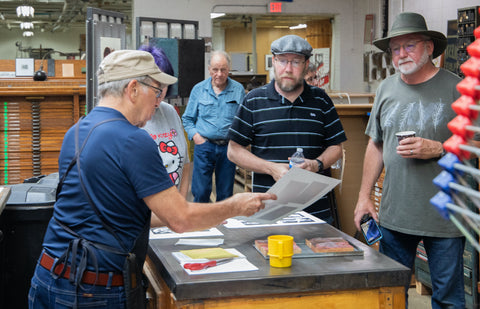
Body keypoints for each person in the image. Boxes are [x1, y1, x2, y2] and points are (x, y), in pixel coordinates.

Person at [28, 50, 275, 308]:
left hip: (49, 277)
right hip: (93, 292)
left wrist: (212, 214)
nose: (159, 102)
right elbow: (180, 219)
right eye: (156, 92)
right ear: (133, 89)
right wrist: (236, 205)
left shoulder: (76, 131)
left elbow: (118, 212)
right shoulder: (132, 139)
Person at [353, 12, 464, 308]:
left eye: (410, 45)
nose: (401, 54)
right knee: (390, 294)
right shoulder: (386, 89)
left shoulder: (458, 90)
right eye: (395, 49)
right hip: (394, 217)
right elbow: (375, 145)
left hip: (445, 218)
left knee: (449, 300)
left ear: (429, 47)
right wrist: (364, 197)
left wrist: (439, 148)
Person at [227, 35, 346, 223]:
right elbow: (233, 151)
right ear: (274, 62)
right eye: (282, 60)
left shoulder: (321, 100)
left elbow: (336, 148)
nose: (288, 69)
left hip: (315, 215)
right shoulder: (254, 100)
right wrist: (271, 168)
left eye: (296, 62)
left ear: (306, 64)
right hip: (266, 211)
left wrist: (316, 164)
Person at [182, 51, 245, 203]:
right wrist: (197, 138)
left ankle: (223, 225)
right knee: (201, 191)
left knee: (225, 192)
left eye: (223, 69)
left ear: (229, 69)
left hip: (228, 148)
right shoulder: (199, 89)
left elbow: (243, 120)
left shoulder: (238, 90)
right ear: (209, 69)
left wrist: (238, 143)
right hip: (204, 146)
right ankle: (201, 224)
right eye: (215, 69)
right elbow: (188, 119)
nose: (219, 74)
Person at [139, 45, 191, 198]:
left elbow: (185, 163)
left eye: (164, 86)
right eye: (156, 87)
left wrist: (180, 208)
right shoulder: (130, 120)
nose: (160, 94)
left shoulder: (170, 112)